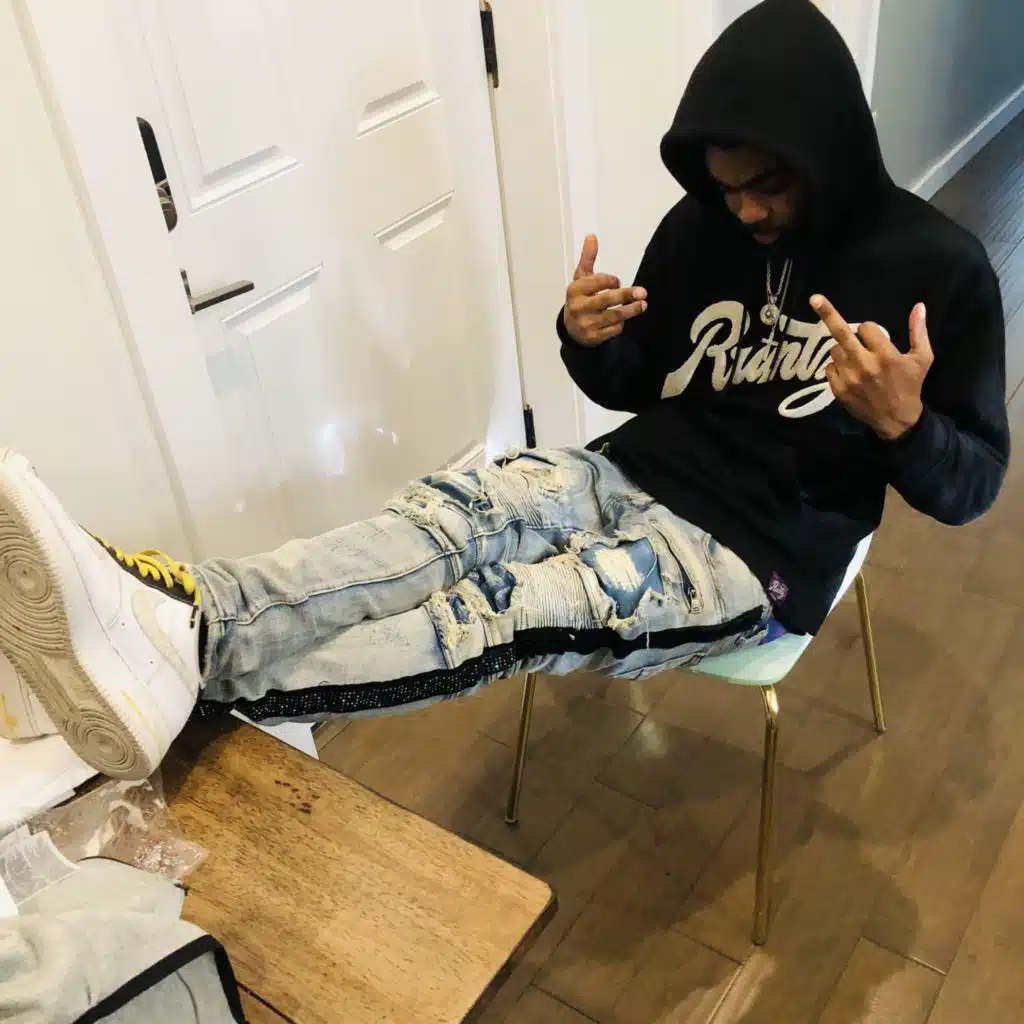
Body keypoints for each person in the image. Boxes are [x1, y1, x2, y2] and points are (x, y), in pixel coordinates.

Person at [0, 0, 1008, 786]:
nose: (743, 209)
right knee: (449, 515)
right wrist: (587, 340)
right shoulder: (701, 226)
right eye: (726, 185)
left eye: (766, 186)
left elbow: (970, 486)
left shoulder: (940, 267)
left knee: (501, 613)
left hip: (763, 551)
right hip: (635, 468)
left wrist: (905, 426)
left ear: (828, 149)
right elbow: (638, 382)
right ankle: (187, 616)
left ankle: (176, 685)